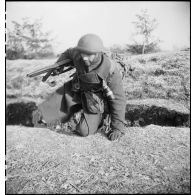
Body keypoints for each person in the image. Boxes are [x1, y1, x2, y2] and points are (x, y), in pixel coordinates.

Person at [32, 33, 126, 141]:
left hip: (95, 99)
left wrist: (117, 128)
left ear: (98, 53)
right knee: (44, 113)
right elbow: (68, 53)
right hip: (76, 89)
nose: (84, 57)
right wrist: (59, 64)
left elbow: (118, 99)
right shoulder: (78, 53)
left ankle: (101, 118)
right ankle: (40, 119)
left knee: (84, 131)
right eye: (82, 53)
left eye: (89, 54)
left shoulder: (111, 70)